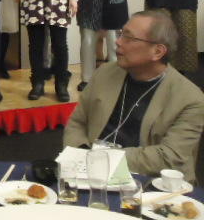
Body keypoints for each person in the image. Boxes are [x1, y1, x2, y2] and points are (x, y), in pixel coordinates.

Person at [64, 10, 204, 183]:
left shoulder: (190, 99)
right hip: (90, 172)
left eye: (129, 38)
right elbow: (77, 122)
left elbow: (169, 156)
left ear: (157, 52)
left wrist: (101, 158)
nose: (118, 42)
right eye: (121, 34)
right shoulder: (105, 73)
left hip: (151, 184)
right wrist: (81, 152)